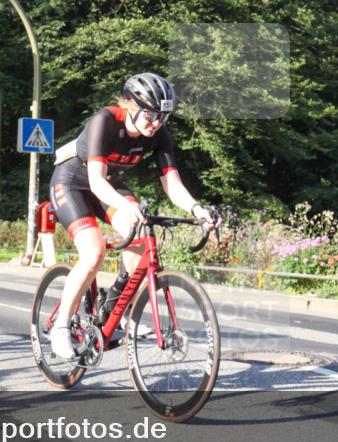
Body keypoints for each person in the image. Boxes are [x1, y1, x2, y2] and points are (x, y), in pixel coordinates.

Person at [48, 72, 220, 359]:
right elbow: (95, 180)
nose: (156, 124)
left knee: (141, 233)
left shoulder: (159, 135)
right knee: (94, 253)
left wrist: (197, 209)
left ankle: (118, 303)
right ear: (131, 105)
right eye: (151, 115)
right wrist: (127, 206)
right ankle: (61, 325)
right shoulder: (105, 121)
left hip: (109, 185)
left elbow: (172, 183)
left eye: (163, 117)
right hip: (73, 183)